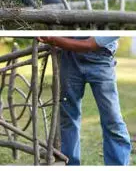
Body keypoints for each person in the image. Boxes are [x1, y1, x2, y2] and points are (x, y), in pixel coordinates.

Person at [38, 36, 131, 165]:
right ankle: (70, 164)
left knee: (113, 120)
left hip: (101, 58)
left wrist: (54, 39)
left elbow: (89, 45)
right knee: (68, 118)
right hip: (69, 57)